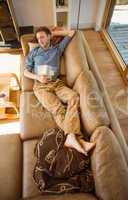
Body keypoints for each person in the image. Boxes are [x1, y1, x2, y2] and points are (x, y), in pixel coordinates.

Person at [24, 26, 95, 155]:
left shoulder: (57, 49)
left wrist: (54, 32)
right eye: (38, 38)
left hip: (57, 84)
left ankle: (72, 138)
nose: (40, 40)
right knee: (58, 109)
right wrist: (37, 77)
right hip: (41, 86)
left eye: (42, 37)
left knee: (74, 97)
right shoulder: (33, 53)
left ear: (49, 37)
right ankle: (78, 139)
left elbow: (72, 33)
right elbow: (25, 71)